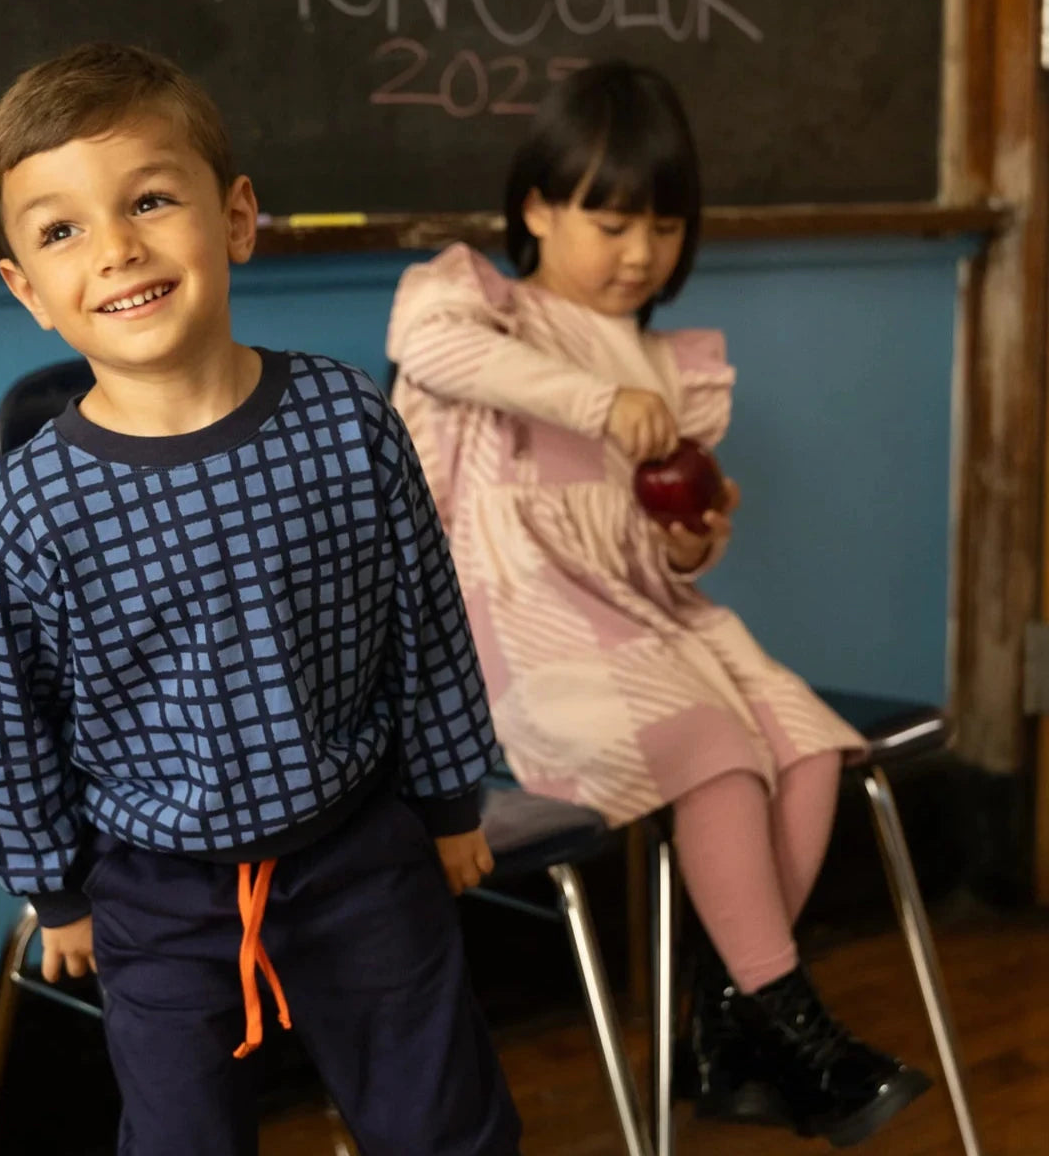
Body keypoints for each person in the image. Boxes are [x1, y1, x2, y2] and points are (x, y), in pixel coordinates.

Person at [0, 41, 521, 1156]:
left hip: (361, 853)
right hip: (156, 893)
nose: (116, 248)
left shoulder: (348, 423)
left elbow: (427, 626)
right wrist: (56, 893)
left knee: (440, 1121)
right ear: (27, 290)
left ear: (238, 218)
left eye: (149, 201)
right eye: (62, 231)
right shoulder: (19, 515)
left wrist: (453, 803)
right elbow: (9, 726)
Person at [386, 60, 929, 1148]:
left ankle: (728, 1016)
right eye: (611, 221)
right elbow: (428, 353)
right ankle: (794, 1029)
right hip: (512, 624)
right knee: (716, 747)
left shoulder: (673, 370)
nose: (640, 253)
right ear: (536, 208)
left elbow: (654, 553)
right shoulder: (478, 307)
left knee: (807, 743)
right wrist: (600, 401)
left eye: (666, 227)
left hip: (644, 620)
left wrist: (688, 544)